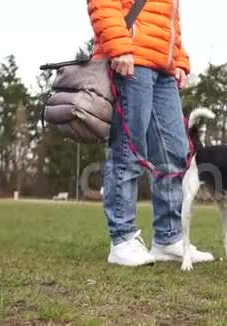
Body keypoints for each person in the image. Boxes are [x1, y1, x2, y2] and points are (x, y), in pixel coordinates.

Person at [88, 0, 213, 266]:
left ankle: (168, 238)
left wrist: (179, 59)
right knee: (128, 151)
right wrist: (118, 45)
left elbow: (169, 18)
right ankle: (122, 240)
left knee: (175, 153)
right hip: (131, 59)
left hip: (163, 67)